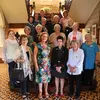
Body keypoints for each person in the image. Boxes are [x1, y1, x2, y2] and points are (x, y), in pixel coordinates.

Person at [34, 32, 51, 99]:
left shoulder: (48, 46)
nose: (44, 38)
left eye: (46, 37)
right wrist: (36, 66)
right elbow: (34, 56)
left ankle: (46, 91)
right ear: (41, 37)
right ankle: (40, 92)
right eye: (43, 36)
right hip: (40, 65)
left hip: (47, 65)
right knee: (40, 79)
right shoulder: (37, 45)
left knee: (46, 79)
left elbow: (49, 56)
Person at [15, 35, 33, 99]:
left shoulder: (29, 48)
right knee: (23, 80)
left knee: (28, 79)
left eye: (26, 39)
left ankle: (27, 91)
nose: (24, 41)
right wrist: (20, 60)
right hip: (22, 67)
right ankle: (23, 93)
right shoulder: (19, 49)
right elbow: (15, 59)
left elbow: (31, 58)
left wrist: (31, 65)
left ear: (27, 41)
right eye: (23, 40)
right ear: (20, 41)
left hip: (28, 67)